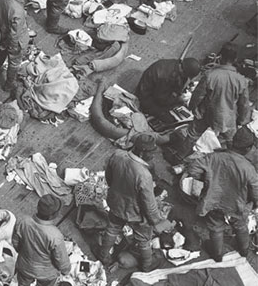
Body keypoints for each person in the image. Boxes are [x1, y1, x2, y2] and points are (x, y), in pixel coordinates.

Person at [101, 134, 173, 270]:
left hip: (116, 203)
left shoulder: (117, 155)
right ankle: (147, 265)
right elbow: (149, 204)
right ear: (142, 152)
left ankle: (104, 256)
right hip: (136, 213)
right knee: (144, 240)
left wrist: (116, 191)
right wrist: (157, 221)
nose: (153, 156)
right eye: (151, 153)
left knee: (112, 229)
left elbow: (108, 177)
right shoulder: (144, 175)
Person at [187, 127, 258, 262]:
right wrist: (253, 203)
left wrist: (208, 180)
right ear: (248, 148)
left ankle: (217, 255)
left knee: (216, 228)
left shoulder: (213, 157)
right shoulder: (248, 168)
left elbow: (192, 169)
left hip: (214, 202)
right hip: (238, 206)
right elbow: (256, 191)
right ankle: (244, 251)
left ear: (233, 142)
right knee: (240, 226)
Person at [189, 43, 250, 144]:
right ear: (235, 59)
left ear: (220, 57)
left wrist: (193, 108)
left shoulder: (210, 75)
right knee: (230, 140)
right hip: (227, 119)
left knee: (193, 135)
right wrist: (241, 120)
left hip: (206, 114)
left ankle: (182, 152)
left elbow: (197, 96)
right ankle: (225, 151)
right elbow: (244, 105)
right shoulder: (241, 81)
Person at [12, 195, 71, 286]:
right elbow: (61, 261)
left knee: (23, 283)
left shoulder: (23, 221)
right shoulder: (55, 236)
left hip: (25, 266)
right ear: (53, 215)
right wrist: (66, 271)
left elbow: (15, 243)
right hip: (46, 273)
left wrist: (24, 253)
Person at [0, 0, 31, 90]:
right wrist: (13, 47)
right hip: (15, 40)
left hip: (3, 31)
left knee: (2, 51)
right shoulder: (18, 11)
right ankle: (9, 84)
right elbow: (15, 34)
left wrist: (0, 27)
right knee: (14, 62)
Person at [136, 57, 200, 119]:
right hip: (145, 97)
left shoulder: (176, 65)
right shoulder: (166, 77)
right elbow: (161, 99)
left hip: (157, 91)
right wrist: (176, 99)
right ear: (183, 72)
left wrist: (177, 96)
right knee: (168, 118)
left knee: (175, 105)